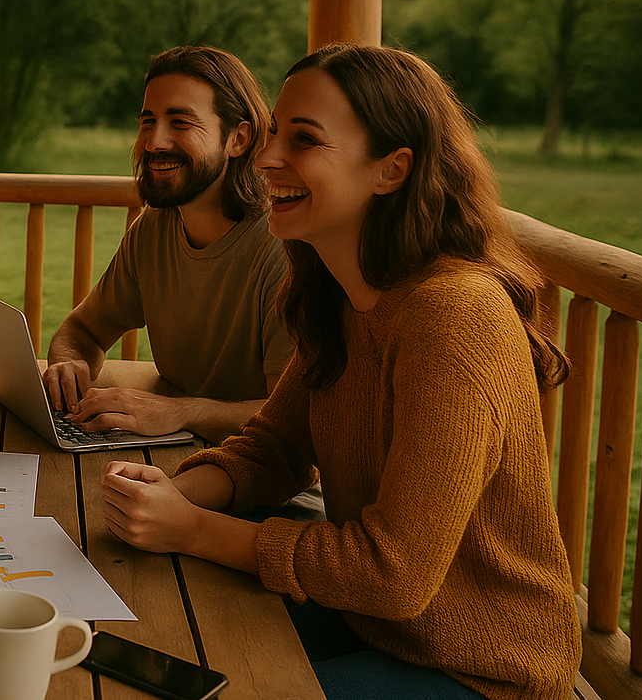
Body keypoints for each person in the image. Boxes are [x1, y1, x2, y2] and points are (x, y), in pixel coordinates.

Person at [100, 43, 579, 699]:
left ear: (391, 169)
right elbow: (274, 449)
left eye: (303, 139)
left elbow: (396, 571)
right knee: (160, 630)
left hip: (482, 667)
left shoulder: (452, 314)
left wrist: (194, 528)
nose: (267, 158)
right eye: (272, 133)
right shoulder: (341, 292)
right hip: (373, 622)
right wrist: (169, 496)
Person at [43, 45, 295, 445]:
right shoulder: (153, 229)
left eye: (180, 122)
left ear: (238, 139)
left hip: (261, 469)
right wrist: (68, 363)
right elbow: (83, 329)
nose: (154, 142)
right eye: (148, 121)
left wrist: (176, 412)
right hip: (173, 451)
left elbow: (290, 415)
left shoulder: (282, 246)